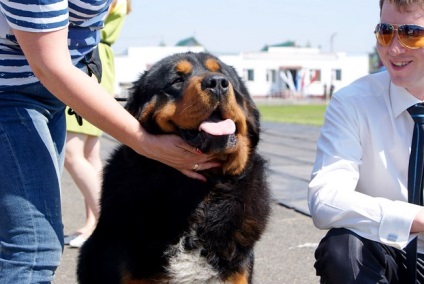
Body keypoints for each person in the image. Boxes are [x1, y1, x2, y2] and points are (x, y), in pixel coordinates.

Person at [0, 0, 218, 282]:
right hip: (12, 94)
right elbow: (49, 64)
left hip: (52, 94)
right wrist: (146, 143)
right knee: (33, 246)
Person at [308, 0, 424, 282]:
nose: (394, 49)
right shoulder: (352, 103)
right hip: (388, 253)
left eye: (411, 34)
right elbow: (325, 200)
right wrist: (415, 218)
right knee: (344, 248)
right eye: (385, 32)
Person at [63, 0, 131, 248]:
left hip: (86, 60)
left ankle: (111, 222)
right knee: (90, 153)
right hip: (100, 61)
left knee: (72, 153)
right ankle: (93, 224)